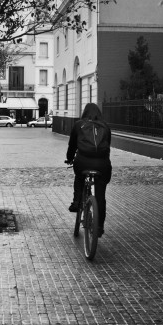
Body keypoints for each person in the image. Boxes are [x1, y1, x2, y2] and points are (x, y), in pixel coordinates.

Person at [65, 102, 112, 238]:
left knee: (79, 177)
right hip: (102, 164)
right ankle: (99, 227)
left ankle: (76, 202)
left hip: (83, 161)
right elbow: (107, 146)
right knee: (100, 196)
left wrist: (69, 158)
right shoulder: (106, 126)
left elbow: (72, 145)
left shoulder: (79, 124)